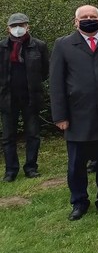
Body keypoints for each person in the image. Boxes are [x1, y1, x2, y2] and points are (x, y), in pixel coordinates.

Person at [50, 5, 98, 220]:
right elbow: (56, 83)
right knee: (77, 164)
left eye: (92, 16)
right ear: (76, 21)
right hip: (77, 115)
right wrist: (60, 115)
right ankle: (79, 202)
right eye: (84, 17)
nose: (88, 19)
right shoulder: (63, 44)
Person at [1, 13, 48, 181]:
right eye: (14, 26)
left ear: (28, 26)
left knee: (33, 134)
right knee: (8, 136)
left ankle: (31, 167)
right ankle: (10, 170)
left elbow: (45, 71)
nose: (18, 28)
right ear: (8, 28)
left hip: (30, 97)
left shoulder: (39, 46)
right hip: (7, 98)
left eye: (21, 25)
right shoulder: (2, 47)